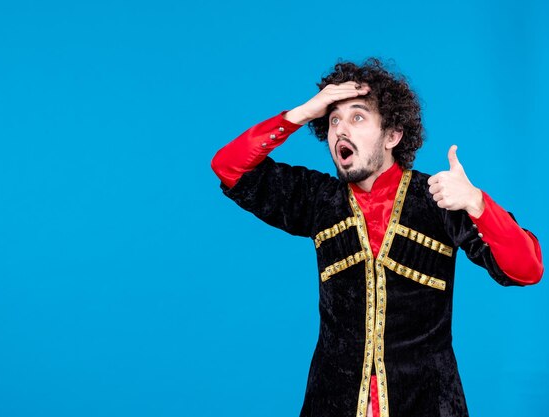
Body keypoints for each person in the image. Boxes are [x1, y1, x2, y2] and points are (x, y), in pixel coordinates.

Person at [210, 58, 543, 417]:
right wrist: (302, 113)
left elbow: (526, 270)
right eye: (333, 119)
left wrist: (478, 203)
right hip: (331, 403)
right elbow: (228, 167)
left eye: (357, 117)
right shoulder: (319, 200)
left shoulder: (439, 197)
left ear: (392, 135)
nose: (340, 129)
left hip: (428, 404)